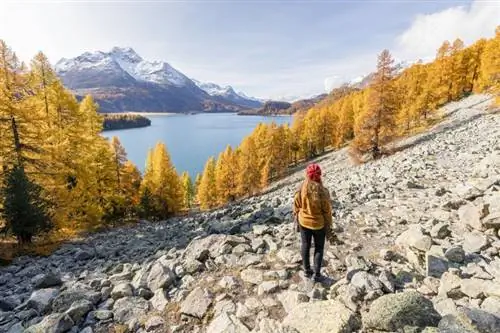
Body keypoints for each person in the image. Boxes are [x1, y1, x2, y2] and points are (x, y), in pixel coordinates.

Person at [293, 163, 333, 282]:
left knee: (305, 245)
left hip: (304, 222)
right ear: (319, 176)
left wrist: (298, 214)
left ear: (307, 175)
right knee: (319, 248)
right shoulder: (323, 192)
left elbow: (296, 205)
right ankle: (316, 274)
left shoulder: (301, 188)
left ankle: (306, 270)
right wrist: (329, 225)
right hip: (318, 224)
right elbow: (327, 212)